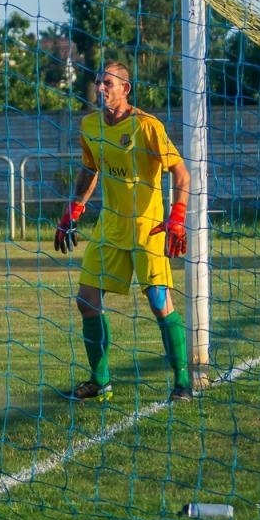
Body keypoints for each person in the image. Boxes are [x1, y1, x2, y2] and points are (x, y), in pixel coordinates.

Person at [53, 60, 193, 402]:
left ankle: (182, 383)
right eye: (99, 82)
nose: (101, 88)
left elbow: (182, 174)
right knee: (86, 301)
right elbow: (90, 169)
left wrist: (177, 215)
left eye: (109, 84)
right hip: (110, 226)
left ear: (125, 89)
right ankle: (100, 382)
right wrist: (74, 208)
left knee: (160, 302)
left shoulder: (148, 127)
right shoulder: (89, 125)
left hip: (149, 228)